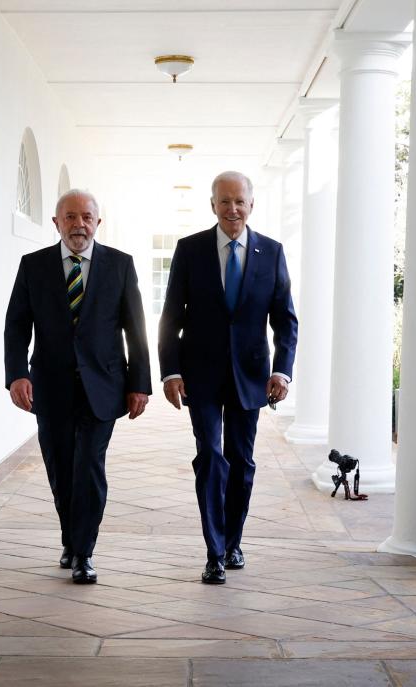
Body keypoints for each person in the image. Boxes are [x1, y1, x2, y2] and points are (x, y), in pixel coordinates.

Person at [4, 189, 151, 584]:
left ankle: (84, 552)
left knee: (88, 467)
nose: (78, 224)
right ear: (56, 223)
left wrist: (140, 384)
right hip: (49, 387)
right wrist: (17, 374)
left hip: (103, 386)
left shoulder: (120, 266)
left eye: (86, 217)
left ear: (98, 223)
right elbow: (17, 324)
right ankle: (71, 539)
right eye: (70, 217)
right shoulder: (33, 266)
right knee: (60, 468)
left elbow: (136, 329)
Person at [158, 171, 298, 584]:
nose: (232, 209)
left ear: (251, 205)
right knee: (211, 458)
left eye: (239, 201)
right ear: (213, 204)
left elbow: (285, 320)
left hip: (252, 376)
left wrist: (282, 371)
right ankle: (214, 551)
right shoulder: (190, 250)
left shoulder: (271, 252)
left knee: (242, 461)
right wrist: (171, 371)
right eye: (224, 201)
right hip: (199, 374)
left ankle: (234, 541)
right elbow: (171, 318)